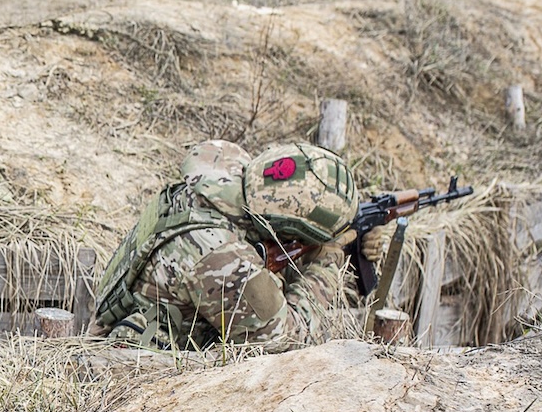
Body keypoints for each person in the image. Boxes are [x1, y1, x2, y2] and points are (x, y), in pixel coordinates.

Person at [90, 140, 358, 352]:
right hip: (141, 366)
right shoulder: (222, 257)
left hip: (123, 314)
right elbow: (287, 341)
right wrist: (325, 265)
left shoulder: (215, 178)